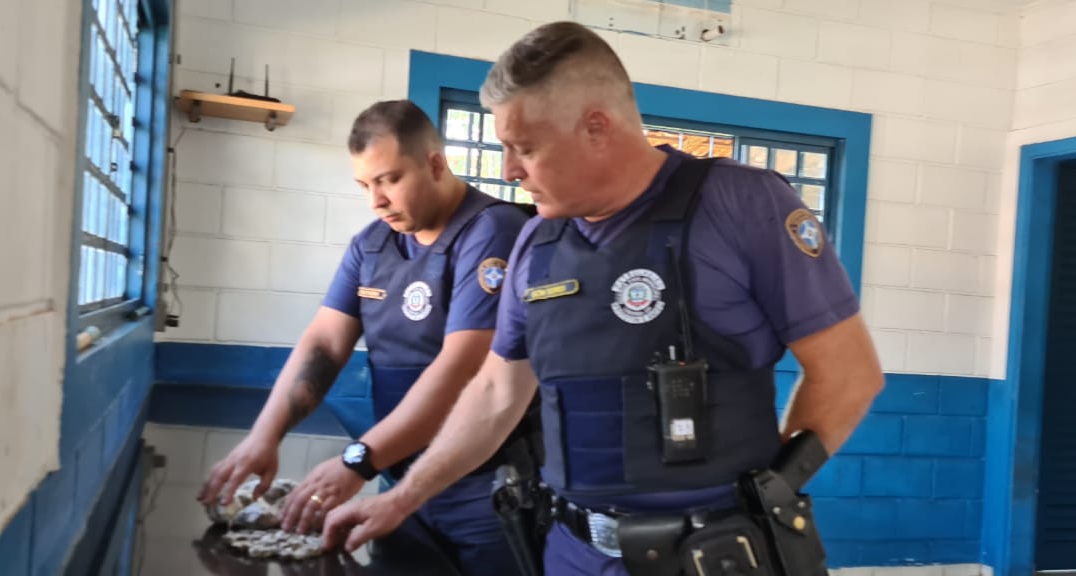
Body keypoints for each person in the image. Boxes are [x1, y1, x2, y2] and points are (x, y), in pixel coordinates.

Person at [322, 21, 885, 576]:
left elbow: (849, 374)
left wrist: (769, 497)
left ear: (596, 128)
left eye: (525, 148)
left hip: (711, 554)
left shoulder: (740, 204)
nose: (510, 170)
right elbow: (495, 394)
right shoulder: (536, 244)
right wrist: (402, 497)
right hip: (572, 551)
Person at [197, 99, 535, 576]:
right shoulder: (371, 245)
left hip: (485, 489)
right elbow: (324, 344)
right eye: (364, 185)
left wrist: (357, 462)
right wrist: (264, 437)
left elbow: (464, 369)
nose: (375, 200)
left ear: (435, 164)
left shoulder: (493, 231)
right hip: (400, 478)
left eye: (389, 179)